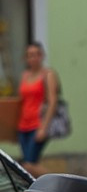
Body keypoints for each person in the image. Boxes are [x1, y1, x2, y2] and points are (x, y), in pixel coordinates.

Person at [16, 42, 58, 177]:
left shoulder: (48, 74)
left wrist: (44, 127)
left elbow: (52, 102)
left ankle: (59, 181)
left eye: (36, 54)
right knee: (29, 164)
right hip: (23, 126)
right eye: (30, 55)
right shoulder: (25, 75)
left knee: (28, 165)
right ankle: (39, 188)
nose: (33, 58)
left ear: (42, 56)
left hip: (38, 124)